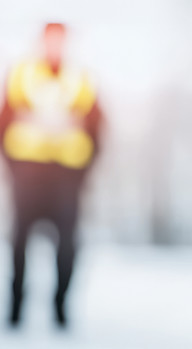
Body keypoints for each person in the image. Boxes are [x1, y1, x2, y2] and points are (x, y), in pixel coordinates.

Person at [0, 23, 103, 325]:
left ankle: (60, 309)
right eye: (50, 40)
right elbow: (4, 122)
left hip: (66, 177)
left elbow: (97, 128)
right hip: (28, 176)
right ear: (41, 42)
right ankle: (16, 310)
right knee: (19, 244)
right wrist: (13, 169)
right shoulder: (21, 75)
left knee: (68, 246)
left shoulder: (81, 79)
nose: (54, 46)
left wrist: (84, 172)